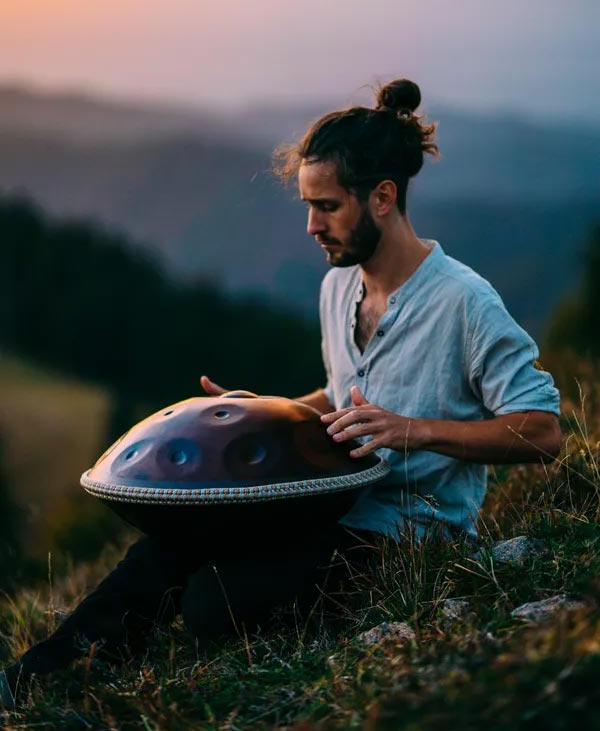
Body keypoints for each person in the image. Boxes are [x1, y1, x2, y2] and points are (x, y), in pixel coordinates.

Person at [0, 78, 561, 709]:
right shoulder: (338, 288)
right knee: (169, 547)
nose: (310, 225)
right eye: (307, 205)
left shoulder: (465, 301)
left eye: (326, 207)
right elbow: (338, 394)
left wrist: (416, 429)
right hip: (322, 509)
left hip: (410, 539)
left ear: (382, 197)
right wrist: (260, 414)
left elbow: (542, 431)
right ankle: (35, 681)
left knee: (213, 603)